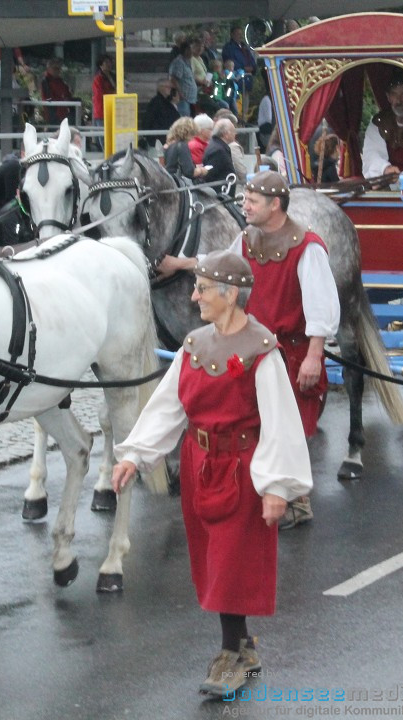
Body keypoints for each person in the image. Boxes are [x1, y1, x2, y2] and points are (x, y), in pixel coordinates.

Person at [111, 250, 312, 697]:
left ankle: (231, 657)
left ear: (231, 294)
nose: (194, 295)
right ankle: (243, 650)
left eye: (202, 288)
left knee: (229, 562)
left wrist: (278, 486)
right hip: (201, 466)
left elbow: (279, 420)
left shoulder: (262, 351)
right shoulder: (196, 345)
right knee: (212, 561)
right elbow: (169, 404)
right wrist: (134, 456)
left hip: (243, 469)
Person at [155, 172, 341, 527]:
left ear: (275, 205)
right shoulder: (247, 239)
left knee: (287, 424)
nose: (245, 205)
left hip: (293, 350)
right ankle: (265, 489)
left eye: (253, 201)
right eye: (246, 199)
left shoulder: (308, 248)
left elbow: (321, 306)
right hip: (255, 347)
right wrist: (179, 265)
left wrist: (315, 355)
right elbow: (221, 263)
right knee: (253, 419)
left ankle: (297, 501)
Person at [164, 117, 208, 182]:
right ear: (188, 133)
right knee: (211, 191)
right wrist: (202, 170)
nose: (194, 137)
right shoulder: (182, 146)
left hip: (170, 180)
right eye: (193, 134)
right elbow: (189, 172)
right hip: (179, 183)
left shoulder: (168, 145)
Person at [202, 118, 237, 192]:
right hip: (220, 194)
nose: (235, 133)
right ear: (226, 134)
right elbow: (210, 174)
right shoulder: (218, 150)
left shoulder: (218, 146)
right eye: (233, 131)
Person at [40, 58, 77, 126]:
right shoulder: (46, 81)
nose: (58, 70)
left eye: (59, 68)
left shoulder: (59, 80)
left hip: (63, 111)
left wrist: (68, 97)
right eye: (55, 68)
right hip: (54, 113)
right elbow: (48, 98)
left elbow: (67, 93)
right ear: (49, 69)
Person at [221, 26, 257, 93]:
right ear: (232, 35)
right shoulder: (228, 48)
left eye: (241, 34)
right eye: (237, 34)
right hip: (237, 79)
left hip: (248, 78)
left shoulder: (244, 47)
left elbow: (251, 59)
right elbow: (230, 62)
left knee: (246, 99)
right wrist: (243, 68)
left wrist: (253, 67)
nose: (240, 36)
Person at [91, 54, 116, 149]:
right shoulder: (98, 78)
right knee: (104, 135)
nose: (109, 64)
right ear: (101, 65)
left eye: (110, 62)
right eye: (106, 63)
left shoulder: (113, 76)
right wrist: (113, 92)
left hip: (113, 109)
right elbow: (99, 94)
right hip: (101, 110)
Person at [169, 41, 198, 118]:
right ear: (186, 50)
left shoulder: (187, 62)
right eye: (191, 49)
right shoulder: (179, 62)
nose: (193, 51)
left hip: (190, 98)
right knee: (184, 117)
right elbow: (174, 79)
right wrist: (180, 93)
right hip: (183, 98)